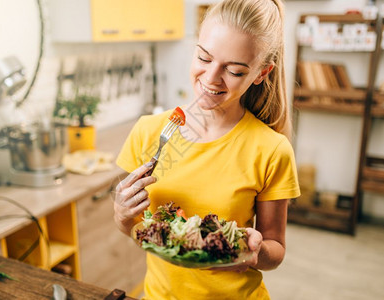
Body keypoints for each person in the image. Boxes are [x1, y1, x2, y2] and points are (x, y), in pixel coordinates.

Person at [113, 0, 300, 298]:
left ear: (261, 73)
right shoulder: (149, 132)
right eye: (204, 58)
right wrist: (123, 216)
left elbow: (275, 251)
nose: (211, 79)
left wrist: (255, 252)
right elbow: (141, 230)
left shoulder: (272, 150)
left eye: (235, 71)